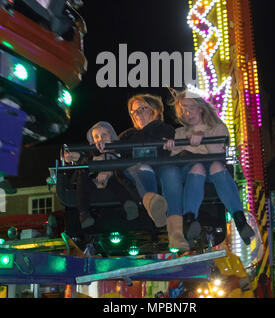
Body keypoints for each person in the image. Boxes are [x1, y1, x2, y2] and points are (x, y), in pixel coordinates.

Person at [162, 88, 255, 250]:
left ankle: (240, 219)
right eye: (183, 109)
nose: (187, 113)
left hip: (213, 167)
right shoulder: (180, 132)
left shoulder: (217, 128)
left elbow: (217, 154)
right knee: (197, 167)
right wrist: (170, 146)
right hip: (190, 169)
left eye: (190, 107)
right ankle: (190, 219)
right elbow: (173, 157)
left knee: (217, 166)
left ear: (200, 107)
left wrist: (202, 139)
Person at [65, 121, 139, 229]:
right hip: (94, 179)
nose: (101, 138)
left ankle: (128, 204)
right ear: (92, 141)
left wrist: (109, 172)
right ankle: (84, 213)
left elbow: (123, 164)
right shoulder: (91, 155)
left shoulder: (119, 151)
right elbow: (85, 163)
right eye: (96, 137)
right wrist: (75, 157)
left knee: (117, 179)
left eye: (104, 135)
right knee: (83, 177)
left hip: (113, 178)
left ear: (111, 136)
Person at [118, 93, 175, 228]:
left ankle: (155, 206)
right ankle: (155, 206)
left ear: (154, 110)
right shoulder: (127, 135)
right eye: (133, 112)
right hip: (132, 173)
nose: (137, 114)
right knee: (142, 168)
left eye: (141, 109)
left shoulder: (165, 130)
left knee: (147, 168)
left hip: (159, 172)